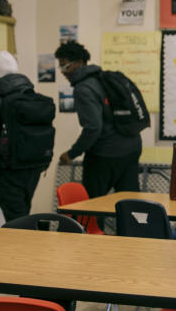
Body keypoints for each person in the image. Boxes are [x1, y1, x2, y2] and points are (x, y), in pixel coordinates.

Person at [55, 41, 142, 198]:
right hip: (132, 148)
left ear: (80, 63)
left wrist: (71, 153)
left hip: (105, 154)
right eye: (60, 67)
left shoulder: (83, 88)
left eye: (65, 66)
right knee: (131, 206)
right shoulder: (103, 79)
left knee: (91, 209)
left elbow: (93, 127)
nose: (62, 71)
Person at [0, 51, 44, 221]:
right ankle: (25, 245)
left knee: (15, 218)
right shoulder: (30, 93)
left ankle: (22, 247)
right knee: (23, 210)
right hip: (33, 166)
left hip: (7, 168)